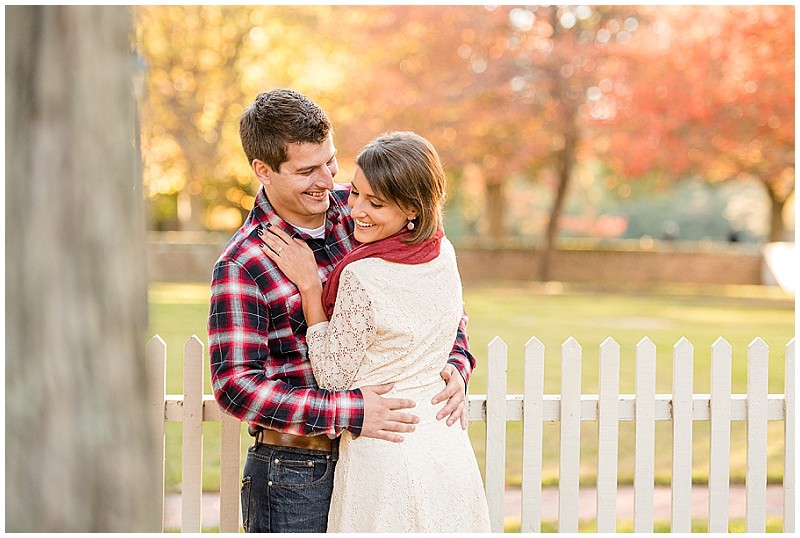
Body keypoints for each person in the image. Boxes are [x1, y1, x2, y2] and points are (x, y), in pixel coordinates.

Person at [208, 89, 477, 533]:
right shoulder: (243, 263)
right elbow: (236, 387)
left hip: (385, 459)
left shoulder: (367, 209)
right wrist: (352, 412)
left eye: (330, 162)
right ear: (263, 170)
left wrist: (455, 362)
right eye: (307, 170)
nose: (327, 180)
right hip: (296, 472)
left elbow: (435, 296)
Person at [259, 131, 491, 532]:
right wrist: (457, 363)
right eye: (355, 194)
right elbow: (450, 322)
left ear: (412, 209)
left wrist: (311, 289)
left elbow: (333, 377)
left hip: (386, 453)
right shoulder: (441, 251)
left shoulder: (362, 274)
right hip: (445, 446)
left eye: (375, 202)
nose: (355, 210)